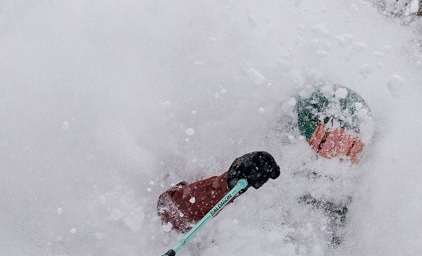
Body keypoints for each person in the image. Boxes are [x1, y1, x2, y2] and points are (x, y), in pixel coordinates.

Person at [155, 86, 374, 232]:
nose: (339, 157)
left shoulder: (352, 201)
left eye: (352, 148)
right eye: (326, 141)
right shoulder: (253, 161)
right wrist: (228, 183)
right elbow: (170, 212)